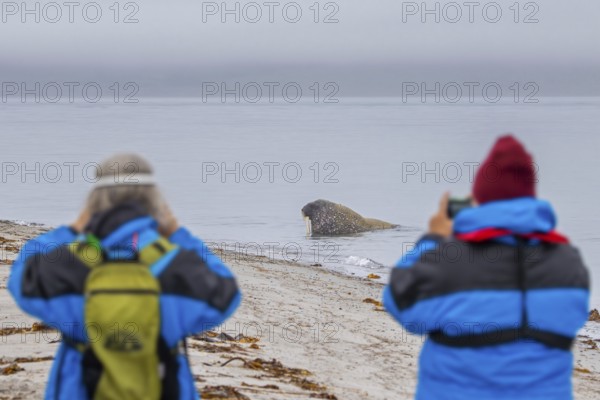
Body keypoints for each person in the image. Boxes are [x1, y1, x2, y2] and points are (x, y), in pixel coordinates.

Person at [9, 154, 241, 400]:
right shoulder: (174, 265)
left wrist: (73, 228)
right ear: (154, 201)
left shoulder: (70, 264)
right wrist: (177, 233)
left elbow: (22, 276)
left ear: (94, 202)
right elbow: (226, 293)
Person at [383, 136, 589, 400]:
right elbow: (572, 317)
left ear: (480, 198)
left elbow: (401, 302)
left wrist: (433, 239)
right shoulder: (568, 262)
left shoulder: (451, 259)